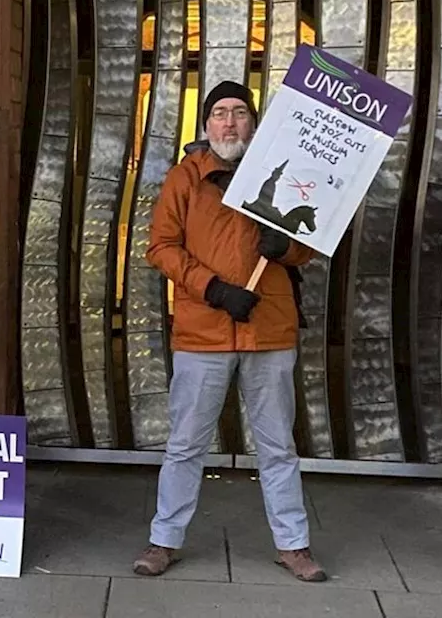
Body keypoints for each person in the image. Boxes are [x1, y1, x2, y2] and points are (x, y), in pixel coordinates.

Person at [132, 81, 327, 582]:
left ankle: (293, 544)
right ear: (206, 124)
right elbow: (161, 247)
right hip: (204, 331)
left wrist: (284, 247)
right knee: (185, 444)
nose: (230, 122)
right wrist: (213, 288)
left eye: (240, 112)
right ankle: (164, 540)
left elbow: (309, 246)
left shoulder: (281, 177)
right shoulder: (186, 179)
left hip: (268, 330)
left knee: (278, 446)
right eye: (220, 113)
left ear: (254, 123)